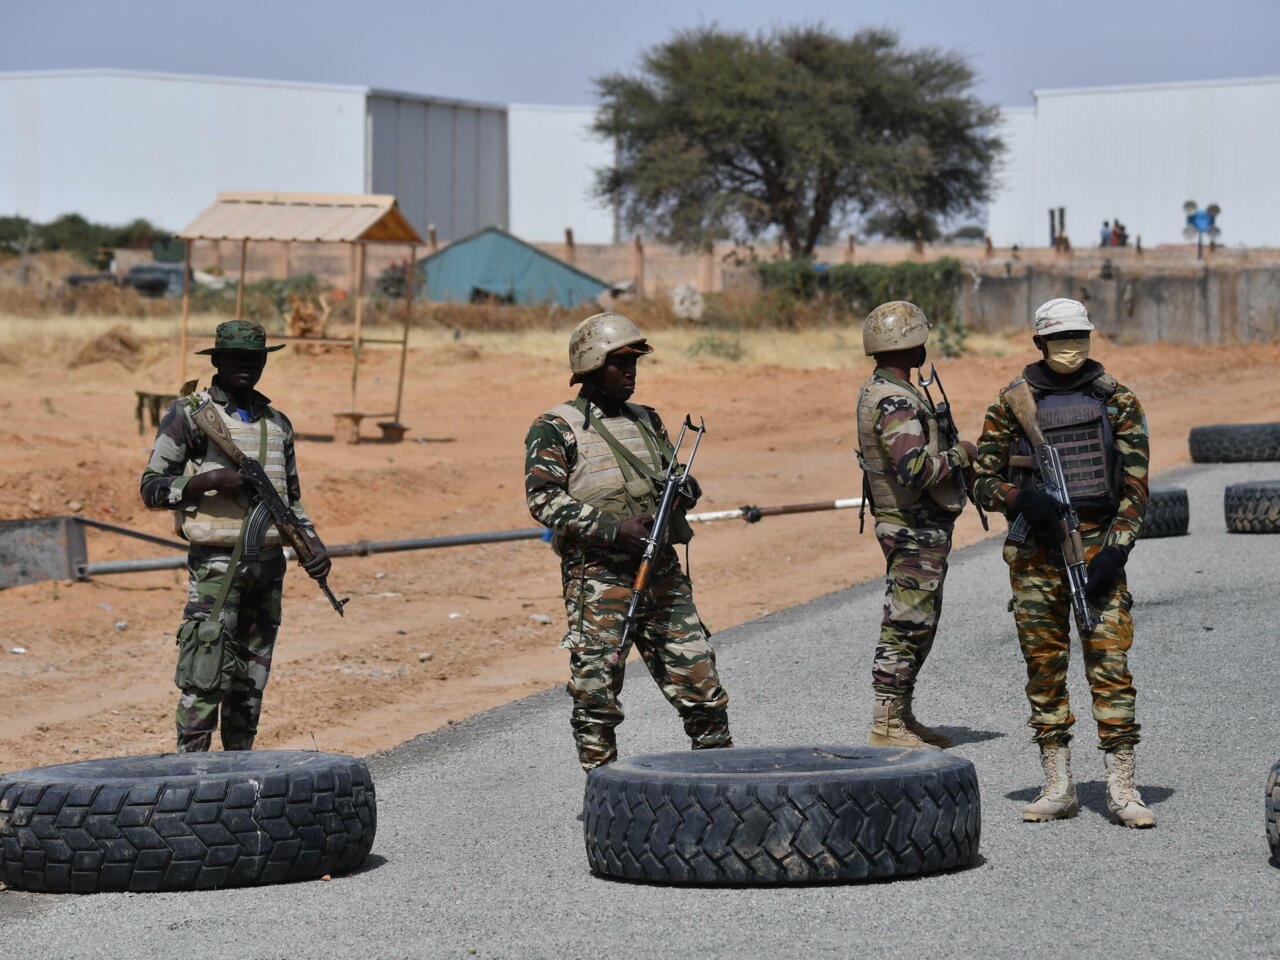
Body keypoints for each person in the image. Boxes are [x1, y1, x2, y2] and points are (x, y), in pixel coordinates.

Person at [972, 298, 1155, 828]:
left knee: (1110, 664)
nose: (1070, 347)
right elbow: (980, 480)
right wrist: (1018, 498)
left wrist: (1116, 550)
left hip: (1097, 544)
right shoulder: (1011, 403)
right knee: (1044, 668)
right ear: (1040, 344)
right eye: (1060, 339)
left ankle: (1122, 786)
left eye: (1078, 337)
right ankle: (1058, 784)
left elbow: (1136, 487)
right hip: (1035, 553)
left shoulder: (1117, 400)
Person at [524, 312, 733, 771]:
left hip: (660, 572)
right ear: (592, 365)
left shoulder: (647, 420)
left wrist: (684, 490)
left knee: (702, 687)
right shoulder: (555, 427)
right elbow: (543, 501)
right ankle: (602, 790)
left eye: (634, 362)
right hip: (599, 580)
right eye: (620, 363)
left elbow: (671, 475)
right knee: (596, 698)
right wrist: (614, 529)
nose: (631, 372)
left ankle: (719, 782)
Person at [140, 319, 330, 752]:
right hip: (216, 565)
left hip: (268, 566)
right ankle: (192, 768)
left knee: (251, 678)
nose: (246, 366)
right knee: (205, 668)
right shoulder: (190, 415)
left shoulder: (278, 423)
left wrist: (312, 545)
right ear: (218, 361)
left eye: (254, 358)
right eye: (236, 358)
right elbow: (151, 488)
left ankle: (240, 766)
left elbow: (290, 499)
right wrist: (206, 482)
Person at [855, 301, 976, 749]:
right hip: (911, 526)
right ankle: (887, 723)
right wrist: (962, 454)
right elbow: (915, 470)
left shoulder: (886, 390)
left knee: (919, 621)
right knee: (906, 623)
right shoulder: (895, 400)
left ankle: (900, 715)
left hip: (914, 525)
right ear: (909, 344)